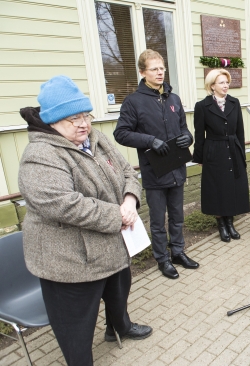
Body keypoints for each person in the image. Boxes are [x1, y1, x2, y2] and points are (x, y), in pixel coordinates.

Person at [18, 76, 152, 366]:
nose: (83, 124)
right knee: (76, 328)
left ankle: (120, 327)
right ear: (53, 121)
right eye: (72, 119)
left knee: (119, 294)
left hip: (113, 247)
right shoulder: (40, 154)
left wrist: (129, 200)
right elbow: (64, 205)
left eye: (85, 115)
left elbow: (128, 170)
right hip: (71, 261)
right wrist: (117, 214)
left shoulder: (96, 138)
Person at [114, 49, 199, 279]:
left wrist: (187, 137)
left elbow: (183, 127)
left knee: (177, 216)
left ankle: (178, 252)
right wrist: (150, 140)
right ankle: (162, 259)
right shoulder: (133, 102)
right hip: (155, 172)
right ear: (143, 72)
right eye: (154, 69)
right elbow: (121, 133)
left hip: (177, 168)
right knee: (158, 221)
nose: (160, 72)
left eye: (162, 68)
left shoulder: (173, 98)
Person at [193, 69, 250, 242]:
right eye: (221, 83)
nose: (226, 86)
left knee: (231, 187)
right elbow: (199, 134)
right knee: (218, 189)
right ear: (212, 86)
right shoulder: (202, 106)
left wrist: (242, 154)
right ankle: (221, 225)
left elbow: (240, 131)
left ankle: (230, 223)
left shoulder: (235, 102)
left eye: (227, 82)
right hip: (214, 151)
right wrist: (200, 157)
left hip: (233, 149)